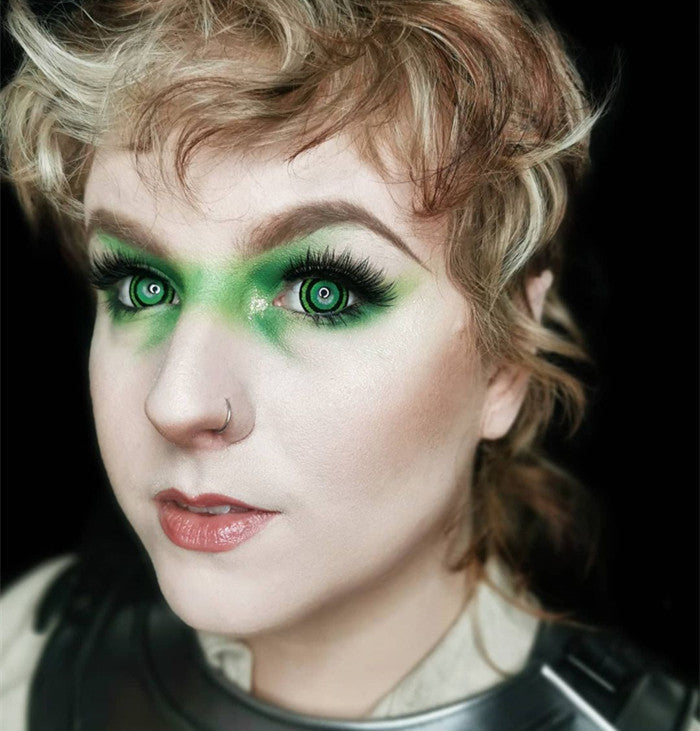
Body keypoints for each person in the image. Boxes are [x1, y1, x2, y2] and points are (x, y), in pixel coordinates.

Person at [0, 0, 697, 729]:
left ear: (504, 359)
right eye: (143, 285)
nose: (175, 402)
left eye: (320, 291)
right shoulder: (25, 652)